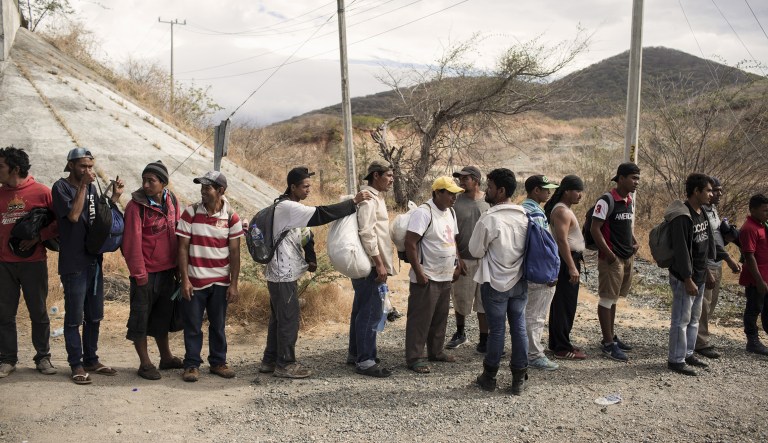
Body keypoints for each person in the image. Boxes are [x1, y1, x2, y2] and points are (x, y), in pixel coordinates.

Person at [261, 167, 371, 379]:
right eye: (305, 186)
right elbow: (321, 214)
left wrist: (310, 257)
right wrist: (353, 203)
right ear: (292, 187)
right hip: (283, 275)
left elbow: (305, 235)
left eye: (309, 186)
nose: (308, 190)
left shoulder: (284, 207)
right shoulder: (288, 207)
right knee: (289, 320)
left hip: (278, 273)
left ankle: (270, 360)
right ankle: (285, 364)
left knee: (278, 318)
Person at [52, 147, 125, 384]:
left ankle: (91, 359)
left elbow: (96, 219)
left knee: (94, 315)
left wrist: (114, 199)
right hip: (74, 262)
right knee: (75, 317)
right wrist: (83, 185)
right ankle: (76, 364)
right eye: (83, 166)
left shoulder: (92, 188)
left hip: (93, 259)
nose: (88, 171)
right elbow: (73, 216)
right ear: (71, 165)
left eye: (91, 167)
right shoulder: (61, 187)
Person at [176, 170, 243, 382]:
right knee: (193, 324)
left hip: (220, 282)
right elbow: (182, 249)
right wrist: (185, 279)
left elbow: (235, 253)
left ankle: (218, 362)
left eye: (208, 187)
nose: (203, 191)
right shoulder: (190, 213)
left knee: (218, 324)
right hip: (195, 281)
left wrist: (234, 284)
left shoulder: (232, 218)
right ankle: (192, 365)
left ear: (220, 191)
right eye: (202, 187)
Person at [469, 168, 529, 395]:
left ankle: (490, 377)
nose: (486, 191)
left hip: (494, 283)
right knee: (519, 329)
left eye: (490, 187)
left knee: (496, 332)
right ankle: (518, 379)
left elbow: (475, 250)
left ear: (501, 190)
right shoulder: (525, 216)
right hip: (520, 281)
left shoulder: (489, 219)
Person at [122, 160, 184, 380]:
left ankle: (166, 357)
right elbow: (131, 243)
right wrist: (139, 274)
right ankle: (145, 363)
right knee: (141, 317)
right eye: (144, 180)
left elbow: (177, 232)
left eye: (152, 180)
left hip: (168, 271)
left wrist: (178, 265)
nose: (146, 185)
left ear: (163, 183)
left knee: (162, 317)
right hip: (145, 273)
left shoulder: (172, 200)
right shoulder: (135, 206)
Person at [0, 146, 58, 379]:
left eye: (1, 166)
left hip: (33, 263)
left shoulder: (42, 192)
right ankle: (7, 359)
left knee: (38, 312)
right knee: (4, 314)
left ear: (14, 169)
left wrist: (39, 237)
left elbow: (59, 223)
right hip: (3, 264)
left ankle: (42, 357)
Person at [665, 173, 725, 376]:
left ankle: (688, 353)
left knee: (693, 318)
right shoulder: (683, 216)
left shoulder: (702, 213)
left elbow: (703, 246)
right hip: (685, 277)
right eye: (708, 190)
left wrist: (707, 271)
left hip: (699, 275)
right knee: (681, 320)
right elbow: (682, 251)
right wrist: (688, 278)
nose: (711, 194)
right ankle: (676, 359)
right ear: (696, 191)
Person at [404, 176, 462, 374]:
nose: (454, 198)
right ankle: (415, 357)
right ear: (438, 192)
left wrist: (457, 264)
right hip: (427, 275)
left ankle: (436, 351)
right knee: (420, 318)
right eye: (450, 193)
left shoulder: (450, 212)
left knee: (440, 316)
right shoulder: (424, 212)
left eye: (455, 194)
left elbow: (453, 240)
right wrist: (419, 273)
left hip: (445, 273)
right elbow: (410, 243)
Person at [347, 160, 396, 378]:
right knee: (371, 312)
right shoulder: (368, 199)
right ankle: (365, 360)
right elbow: (367, 232)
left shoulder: (375, 197)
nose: (391, 179)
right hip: (370, 265)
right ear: (376, 175)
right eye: (388, 175)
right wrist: (379, 263)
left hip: (367, 264)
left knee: (361, 309)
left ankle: (355, 353)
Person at [590, 162, 639, 362]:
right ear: (620, 178)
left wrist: (634, 242)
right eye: (633, 178)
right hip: (612, 258)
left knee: (615, 298)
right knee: (607, 299)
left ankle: (610, 336)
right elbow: (595, 229)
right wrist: (609, 254)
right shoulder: (606, 200)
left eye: (638, 179)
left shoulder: (628, 200)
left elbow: (627, 225)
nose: (636, 182)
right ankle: (608, 344)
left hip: (626, 256)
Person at [445, 166, 491, 353]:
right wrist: (457, 258)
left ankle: (484, 340)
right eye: (460, 179)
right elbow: (450, 234)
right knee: (460, 299)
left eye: (465, 179)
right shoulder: (455, 203)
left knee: (483, 302)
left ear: (476, 180)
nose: (461, 182)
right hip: (464, 259)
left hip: (485, 260)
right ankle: (460, 332)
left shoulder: (488, 202)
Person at [695, 178, 741, 359]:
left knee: (710, 304)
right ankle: (700, 343)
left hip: (716, 263)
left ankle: (699, 339)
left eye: (720, 190)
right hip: (707, 265)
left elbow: (716, 237)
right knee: (703, 306)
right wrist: (729, 259)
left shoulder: (713, 209)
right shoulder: (701, 212)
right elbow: (707, 242)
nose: (719, 194)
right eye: (715, 190)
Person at [544, 175, 587, 360]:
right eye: (577, 191)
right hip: (565, 262)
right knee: (564, 305)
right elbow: (561, 241)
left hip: (569, 260)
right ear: (567, 191)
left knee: (562, 304)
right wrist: (571, 267)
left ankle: (558, 342)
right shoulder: (561, 211)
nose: (580, 195)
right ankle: (561, 347)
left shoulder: (564, 209)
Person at [521, 175, 560, 371]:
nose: (549, 192)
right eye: (546, 189)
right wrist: (550, 273)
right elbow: (542, 247)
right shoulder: (535, 213)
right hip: (539, 272)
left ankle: (524, 350)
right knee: (535, 315)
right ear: (536, 190)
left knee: (527, 313)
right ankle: (534, 354)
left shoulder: (524, 208)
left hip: (527, 270)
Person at [738, 194, 768, 356]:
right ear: (753, 210)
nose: (767, 213)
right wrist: (759, 281)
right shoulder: (749, 228)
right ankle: (752, 341)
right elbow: (749, 256)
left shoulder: (763, 225)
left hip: (766, 276)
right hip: (756, 279)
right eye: (764, 210)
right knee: (753, 309)